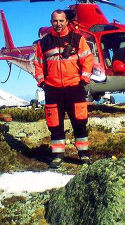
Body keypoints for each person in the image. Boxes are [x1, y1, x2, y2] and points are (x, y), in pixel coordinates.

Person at [33, 9, 94, 168]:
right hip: (53, 89)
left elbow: (87, 59)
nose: (58, 24)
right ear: (51, 22)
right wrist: (42, 82)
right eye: (55, 21)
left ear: (67, 21)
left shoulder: (78, 39)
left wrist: (84, 79)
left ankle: (84, 154)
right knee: (55, 124)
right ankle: (58, 155)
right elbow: (38, 64)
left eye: (61, 21)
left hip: (74, 87)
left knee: (80, 122)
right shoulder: (44, 43)